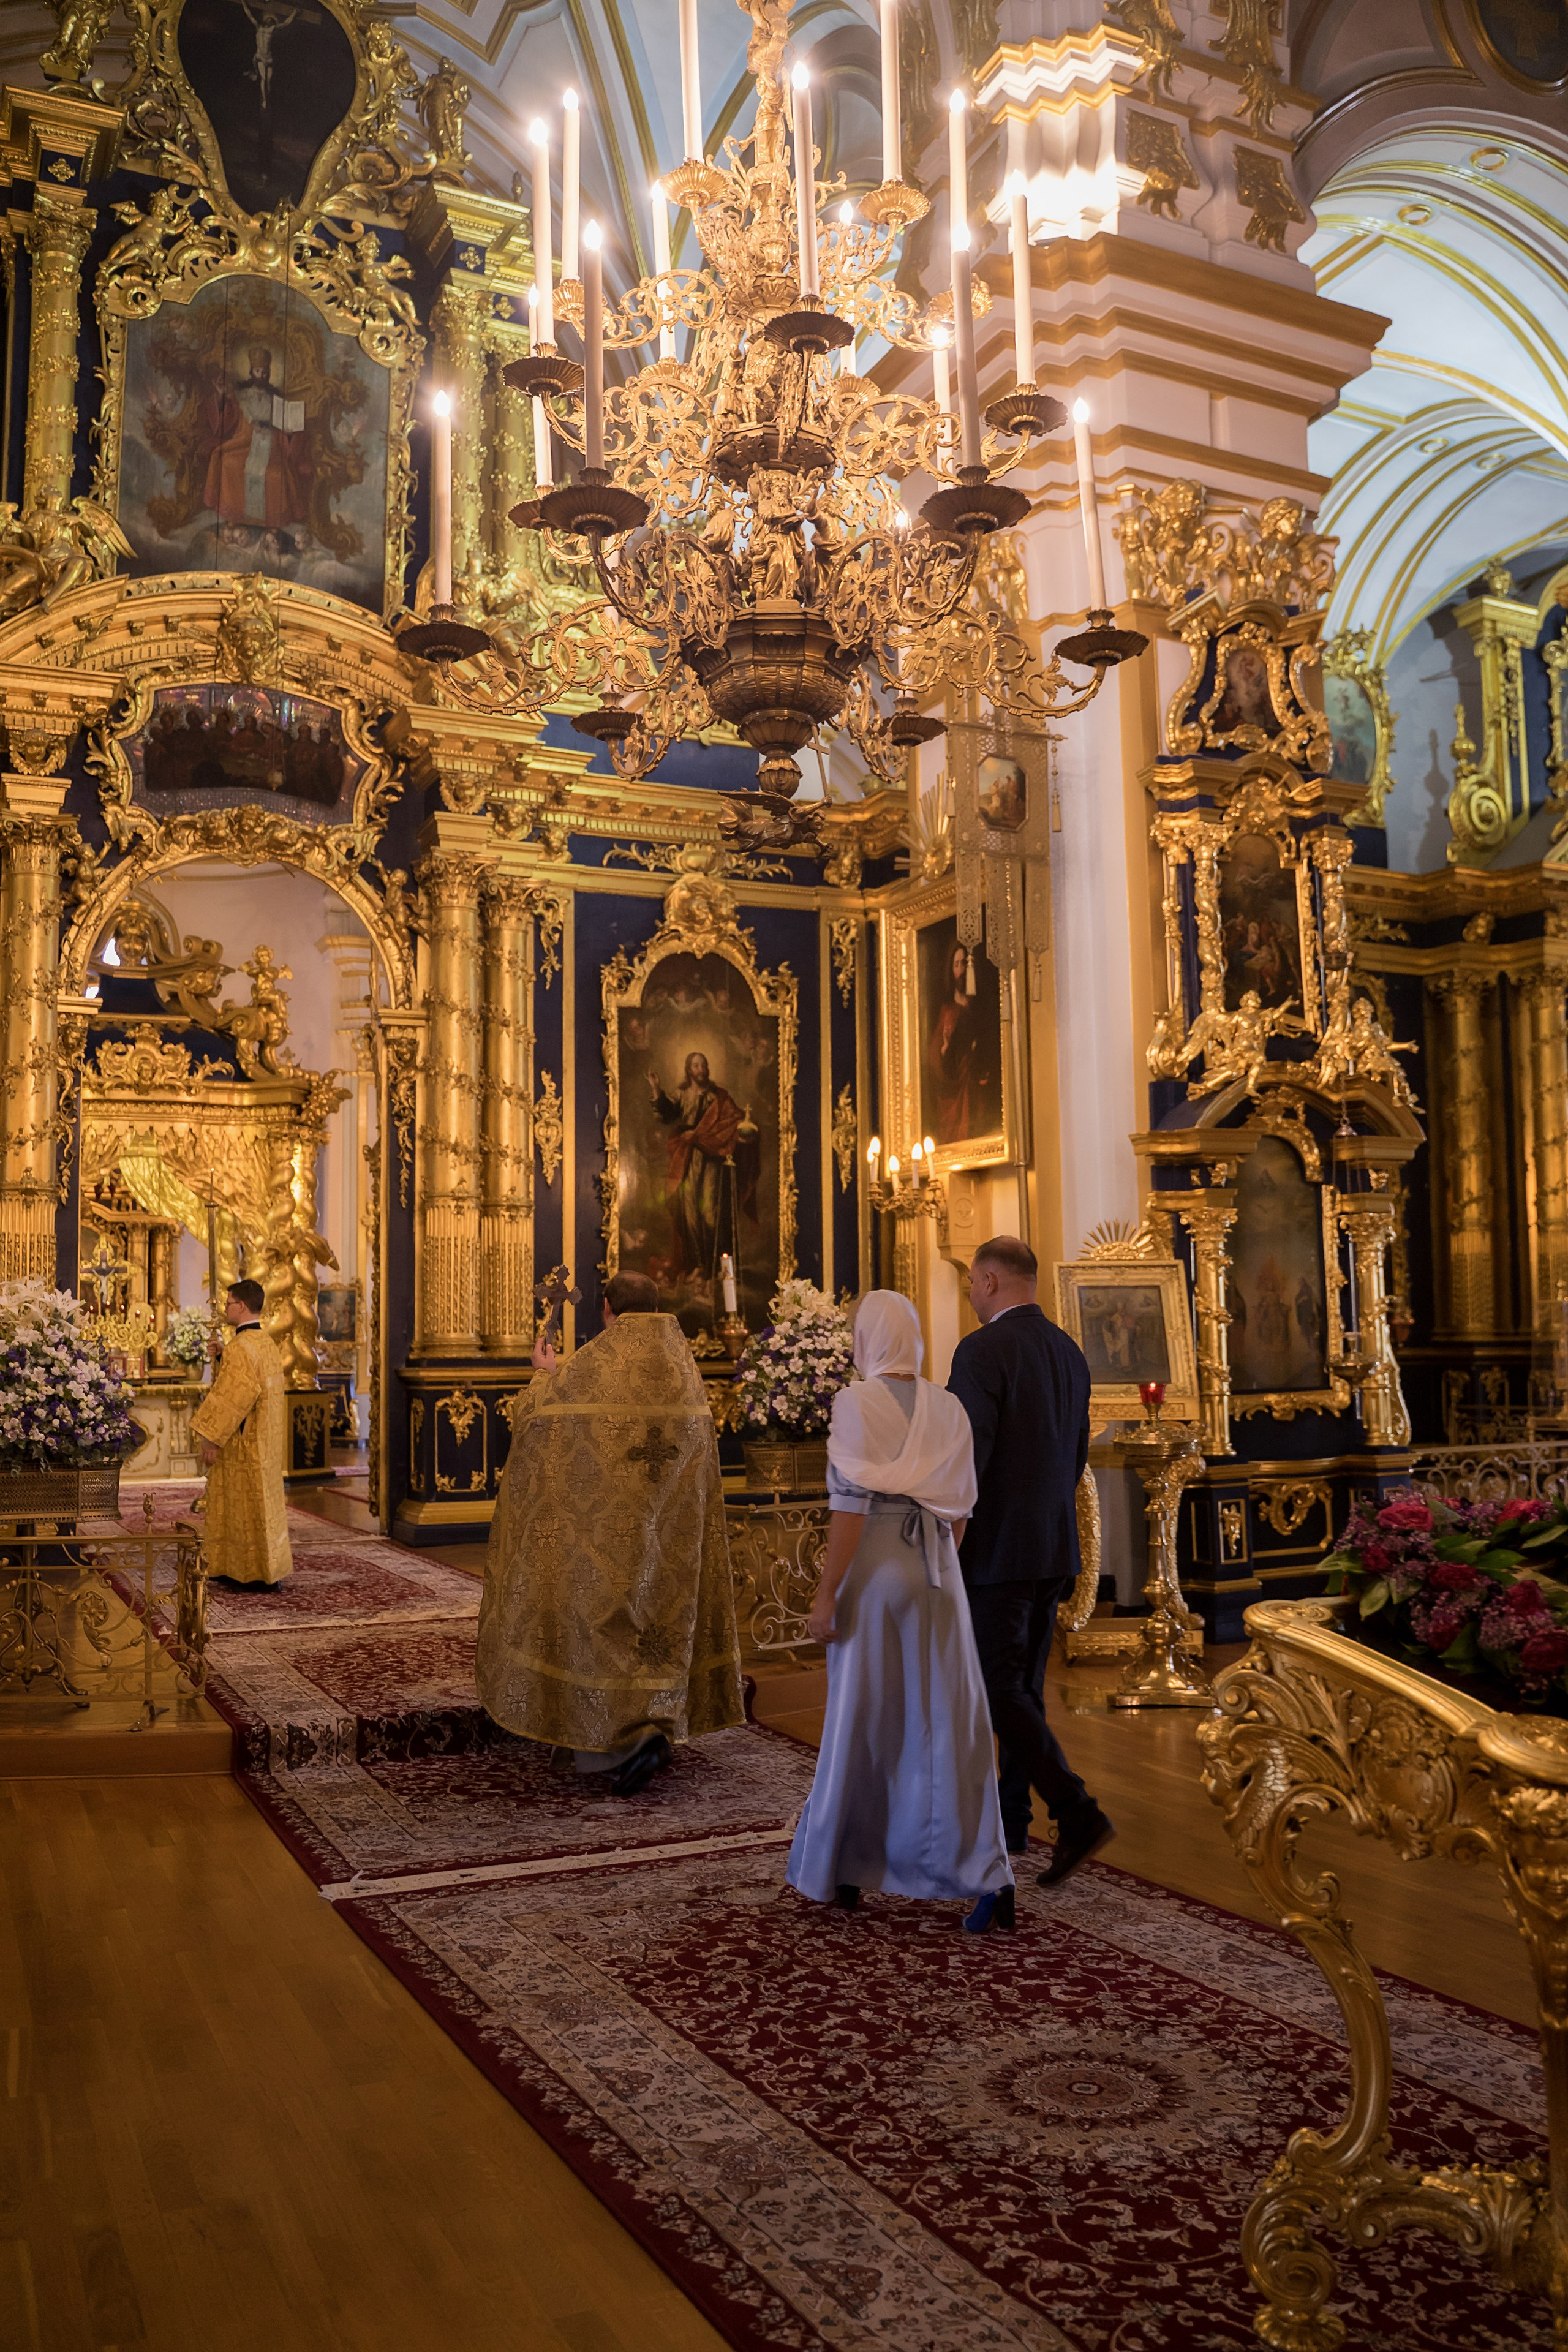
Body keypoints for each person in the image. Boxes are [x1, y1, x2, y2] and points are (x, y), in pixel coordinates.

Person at [787, 1291, 1016, 1934]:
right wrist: (935, 1569)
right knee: (949, 1727)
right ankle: (988, 1876)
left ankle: (844, 1866)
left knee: (863, 1722)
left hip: (876, 1573)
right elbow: (960, 1510)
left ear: (867, 1339)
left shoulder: (855, 1402)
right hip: (939, 1572)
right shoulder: (949, 1406)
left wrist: (826, 1594)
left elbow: (850, 1508)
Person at [477, 1270, 744, 1796]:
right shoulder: (684, 1366)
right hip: (670, 1534)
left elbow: (534, 1419)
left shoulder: (594, 1364)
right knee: (659, 1619)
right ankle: (657, 1722)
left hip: (606, 1536)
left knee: (602, 1621)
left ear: (606, 1308)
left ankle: (620, 1740)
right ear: (656, 1305)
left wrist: (542, 1375)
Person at [948, 1235, 1113, 1888]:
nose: (970, 1293)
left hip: (996, 1551)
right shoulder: (1069, 1351)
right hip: (1052, 1545)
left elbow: (966, 1457)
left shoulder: (981, 1350)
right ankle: (1013, 1820)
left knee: (997, 1687)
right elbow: (1076, 1456)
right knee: (1022, 1687)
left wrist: (949, 1534)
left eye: (971, 1282)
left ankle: (1077, 1811)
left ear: (989, 1280)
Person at [190, 1277, 291, 1588]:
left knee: (243, 1505)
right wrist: (224, 1357)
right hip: (266, 1443)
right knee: (264, 1505)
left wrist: (211, 1438)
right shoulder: (266, 1343)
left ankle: (248, 1572)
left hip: (243, 1445)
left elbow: (233, 1397)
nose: (225, 1309)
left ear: (242, 1306)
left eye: (229, 1303)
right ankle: (266, 1567)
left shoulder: (241, 1347)